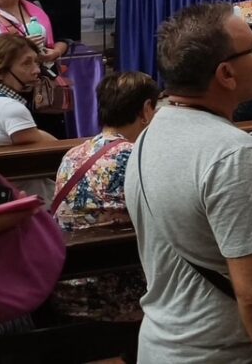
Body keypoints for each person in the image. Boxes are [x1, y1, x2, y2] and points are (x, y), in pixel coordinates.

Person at [126, 2, 252, 364]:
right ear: (226, 74)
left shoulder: (153, 131)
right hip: (226, 351)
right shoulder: (231, 153)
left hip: (170, 340)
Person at [52, 72, 160, 324]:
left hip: (66, 284)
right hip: (117, 290)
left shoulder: (74, 153)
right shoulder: (136, 156)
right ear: (146, 109)